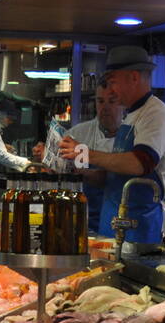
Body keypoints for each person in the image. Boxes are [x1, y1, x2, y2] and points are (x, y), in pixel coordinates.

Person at [59, 46, 165, 248]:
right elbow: (115, 178)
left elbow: (139, 164)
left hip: (137, 230)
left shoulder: (155, 115)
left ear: (133, 77)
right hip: (113, 225)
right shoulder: (132, 115)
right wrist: (74, 171)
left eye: (114, 81)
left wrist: (84, 152)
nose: (112, 89)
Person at [37, 88, 124, 232]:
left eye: (112, 101)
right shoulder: (78, 133)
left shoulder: (129, 135)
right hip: (79, 218)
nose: (105, 107)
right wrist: (49, 161)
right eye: (100, 101)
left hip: (117, 218)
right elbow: (57, 173)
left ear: (124, 104)